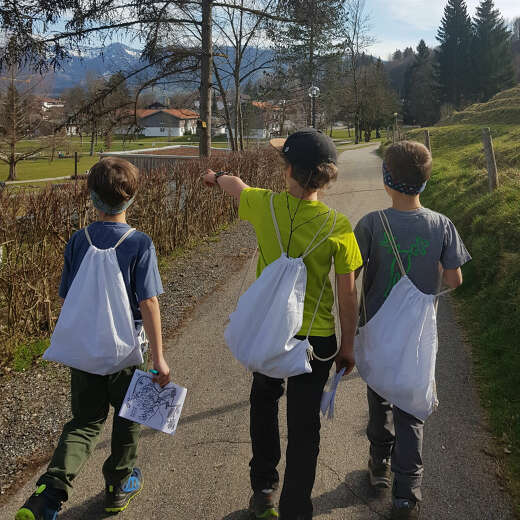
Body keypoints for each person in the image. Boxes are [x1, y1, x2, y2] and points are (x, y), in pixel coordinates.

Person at [203, 128, 363, 520]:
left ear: (289, 171)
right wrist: (348, 346)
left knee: (263, 404)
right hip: (317, 340)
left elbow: (235, 186)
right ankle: (296, 508)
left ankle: (264, 491)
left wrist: (214, 177)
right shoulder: (339, 226)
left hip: (269, 336)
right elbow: (347, 294)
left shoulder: (264, 206)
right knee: (305, 426)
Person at [16, 157, 170, 520]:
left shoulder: (77, 240)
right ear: (132, 198)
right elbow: (149, 303)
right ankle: (118, 485)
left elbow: (68, 298)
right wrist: (160, 357)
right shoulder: (140, 244)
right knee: (129, 417)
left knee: (84, 422)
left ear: (91, 198)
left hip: (85, 352)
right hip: (128, 353)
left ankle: (48, 494)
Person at [354, 141, 471, 520]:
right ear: (426, 181)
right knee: (411, 408)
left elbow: (349, 274)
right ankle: (407, 492)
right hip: (419, 334)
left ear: (386, 180)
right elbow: (454, 280)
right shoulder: (442, 225)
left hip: (376, 328)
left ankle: (378, 465)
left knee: (380, 398)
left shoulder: (371, 224)